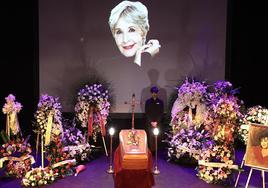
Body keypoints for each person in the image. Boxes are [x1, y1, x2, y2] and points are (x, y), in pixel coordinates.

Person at [108, 1, 161, 66]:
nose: (125, 40)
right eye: (119, 32)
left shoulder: (162, 62)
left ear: (144, 32)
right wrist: (145, 56)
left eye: (131, 30)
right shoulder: (104, 65)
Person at [145, 86, 164, 153]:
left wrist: (156, 122)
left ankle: (156, 150)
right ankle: (151, 151)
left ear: (157, 93)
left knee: (157, 136)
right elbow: (147, 113)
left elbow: (161, 113)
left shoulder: (160, 102)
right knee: (150, 136)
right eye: (153, 92)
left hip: (158, 123)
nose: (154, 94)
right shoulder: (148, 102)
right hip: (150, 123)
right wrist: (151, 122)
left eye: (155, 92)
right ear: (151, 93)